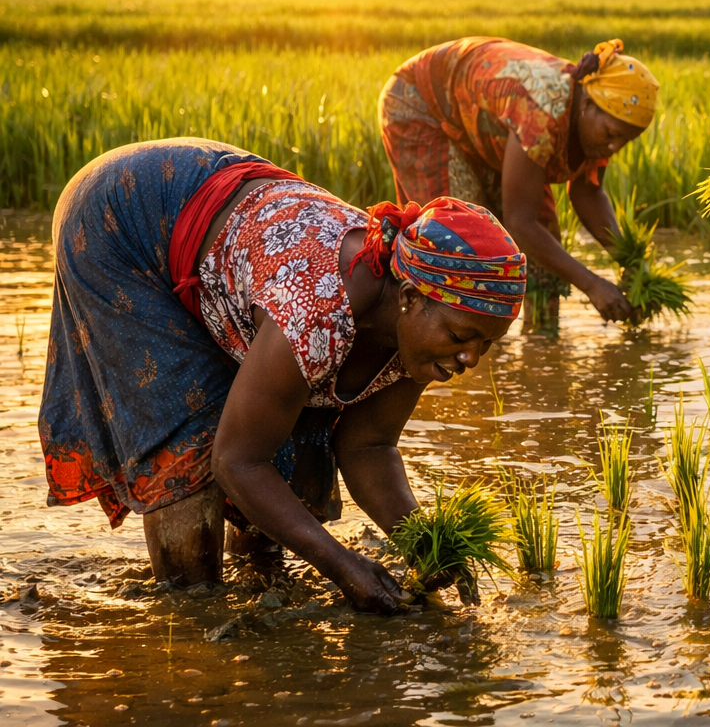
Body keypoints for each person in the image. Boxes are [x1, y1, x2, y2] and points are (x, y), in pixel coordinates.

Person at [40, 138, 526, 611]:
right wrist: (340, 564)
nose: (471, 360)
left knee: (285, 457)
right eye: (462, 337)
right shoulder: (317, 309)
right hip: (127, 215)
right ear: (409, 298)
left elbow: (368, 447)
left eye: (486, 344)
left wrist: (429, 545)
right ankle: (189, 629)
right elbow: (238, 460)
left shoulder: (417, 333)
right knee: (191, 447)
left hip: (227, 207)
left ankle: (259, 596)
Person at [379, 37, 658, 327]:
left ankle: (543, 342)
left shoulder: (594, 129)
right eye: (611, 134)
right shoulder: (542, 109)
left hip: (483, 125)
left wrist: (630, 259)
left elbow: (587, 193)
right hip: (422, 106)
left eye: (625, 140)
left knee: (544, 240)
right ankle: (455, 347)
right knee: (459, 242)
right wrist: (591, 284)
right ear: (588, 104)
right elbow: (519, 220)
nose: (614, 148)